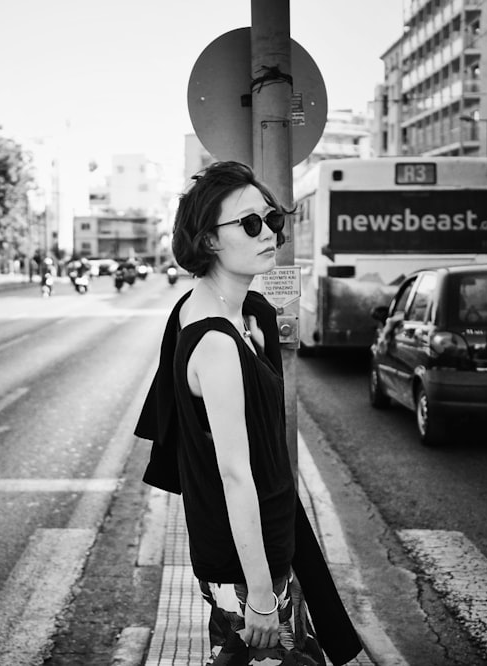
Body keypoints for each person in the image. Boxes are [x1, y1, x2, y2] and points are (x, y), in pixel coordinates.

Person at [135, 161, 361, 665]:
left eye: (272, 219)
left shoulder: (244, 313)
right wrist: (260, 595)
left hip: (269, 538)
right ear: (208, 241)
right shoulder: (214, 340)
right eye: (249, 224)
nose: (269, 234)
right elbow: (235, 475)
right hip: (245, 563)